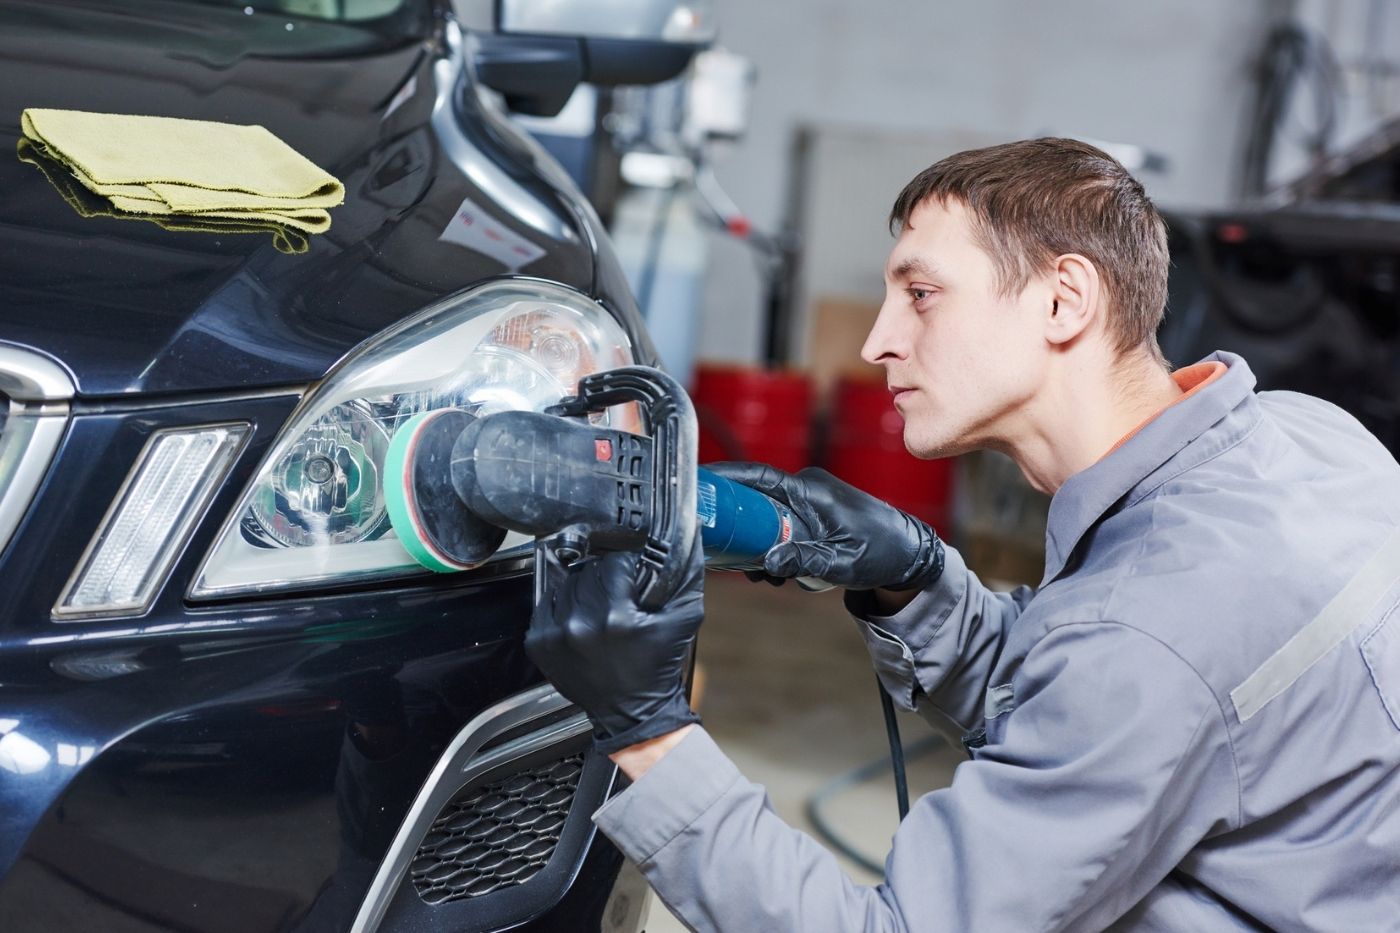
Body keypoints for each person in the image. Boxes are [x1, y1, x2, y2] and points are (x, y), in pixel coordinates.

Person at [525, 138, 1400, 931]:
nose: (877, 341)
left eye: (921, 294)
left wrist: (650, 734)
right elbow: (1110, 712)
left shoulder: (1151, 628)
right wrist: (918, 580)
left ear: (1064, 299)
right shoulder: (1307, 436)